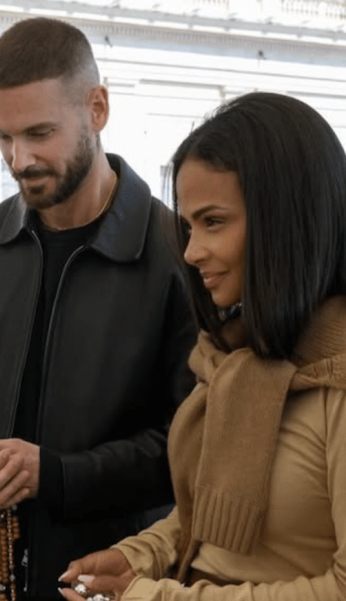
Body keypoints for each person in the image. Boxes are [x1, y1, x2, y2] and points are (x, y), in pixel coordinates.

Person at [0, 17, 196, 601]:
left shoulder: (180, 257)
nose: (19, 159)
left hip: (118, 582)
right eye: (2, 136)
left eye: (39, 133)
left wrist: (57, 475)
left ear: (97, 108)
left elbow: (193, 443)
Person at [59, 92, 346, 601]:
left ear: (289, 220)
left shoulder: (336, 383)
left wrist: (158, 596)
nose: (191, 252)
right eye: (190, 226)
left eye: (213, 222)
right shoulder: (235, 357)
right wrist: (140, 554)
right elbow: (210, 517)